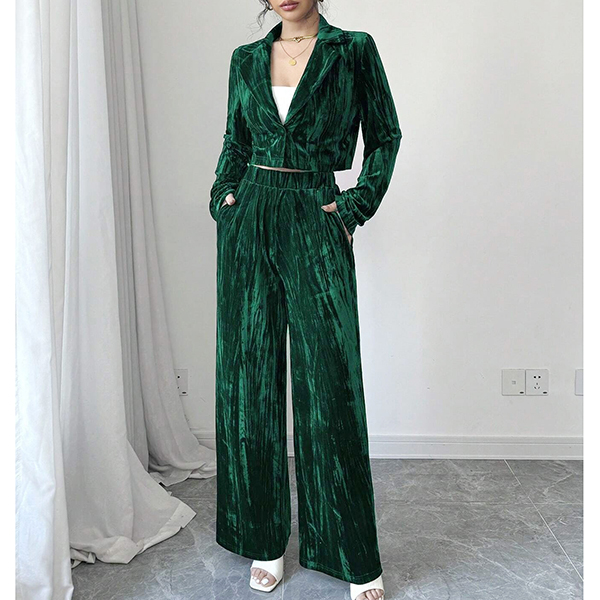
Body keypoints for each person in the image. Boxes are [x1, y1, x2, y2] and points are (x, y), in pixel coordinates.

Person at [209, 1, 401, 598]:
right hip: (250, 217)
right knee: (249, 384)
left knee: (331, 384)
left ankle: (351, 552)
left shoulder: (353, 50)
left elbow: (386, 136)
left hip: (317, 213)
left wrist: (353, 208)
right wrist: (223, 198)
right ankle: (263, 539)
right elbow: (235, 140)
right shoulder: (245, 59)